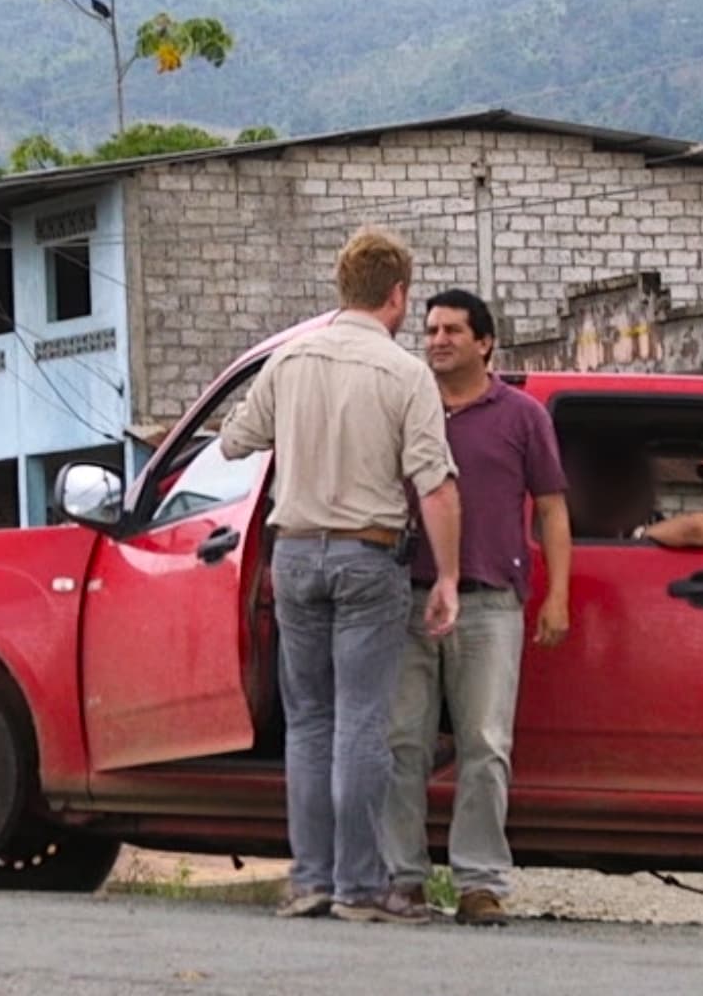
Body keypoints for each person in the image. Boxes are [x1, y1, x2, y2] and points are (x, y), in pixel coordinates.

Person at [220, 226, 461, 925]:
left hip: (293, 556)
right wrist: (445, 577)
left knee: (309, 723)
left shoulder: (290, 359)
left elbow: (237, 441)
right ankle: (359, 888)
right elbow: (435, 484)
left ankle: (310, 880)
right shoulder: (404, 373)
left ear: (341, 288)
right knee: (362, 722)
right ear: (398, 296)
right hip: (367, 556)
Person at [383, 289, 571, 928]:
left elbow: (551, 508)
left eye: (453, 330)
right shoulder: (407, 410)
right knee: (401, 743)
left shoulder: (521, 416)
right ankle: (402, 881)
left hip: (491, 605)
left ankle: (479, 886)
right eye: (430, 329)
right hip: (406, 599)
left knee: (485, 745)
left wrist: (558, 596)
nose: (436, 340)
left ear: (485, 342)